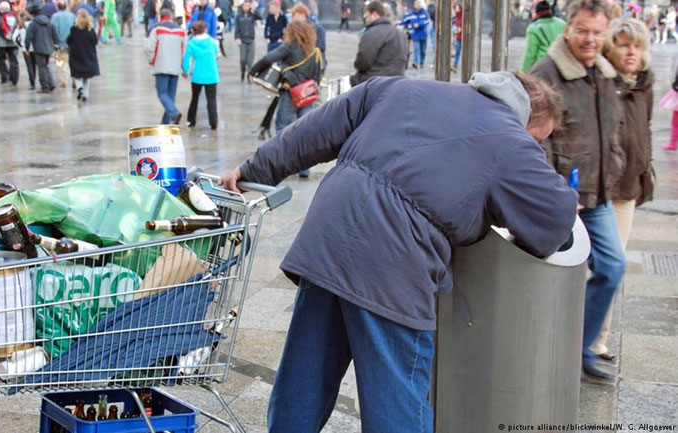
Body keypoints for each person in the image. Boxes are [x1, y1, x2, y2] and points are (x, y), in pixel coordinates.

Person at [218, 71, 576, 433]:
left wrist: (253, 169)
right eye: (538, 139)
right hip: (394, 264)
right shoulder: (513, 142)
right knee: (396, 396)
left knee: (305, 376)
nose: (537, 150)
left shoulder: (402, 87)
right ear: (525, 115)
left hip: (329, 237)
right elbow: (556, 223)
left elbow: (316, 129)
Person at [531, 0, 626, 385]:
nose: (590, 39)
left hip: (596, 192)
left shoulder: (603, 71)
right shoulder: (547, 72)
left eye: (598, 32)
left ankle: (579, 349)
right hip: (563, 196)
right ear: (567, 29)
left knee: (613, 265)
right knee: (548, 280)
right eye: (583, 30)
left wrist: (615, 165)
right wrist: (554, 191)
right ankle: (545, 351)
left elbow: (611, 130)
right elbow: (535, 139)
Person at [588, 18, 653, 363]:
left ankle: (597, 340)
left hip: (626, 189)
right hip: (598, 189)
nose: (631, 52)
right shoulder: (601, 81)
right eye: (624, 44)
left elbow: (644, 131)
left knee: (614, 265)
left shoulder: (643, 85)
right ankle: (582, 337)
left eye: (637, 46)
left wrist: (645, 171)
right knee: (601, 265)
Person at [248, 20, 322, 177]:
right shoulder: (314, 51)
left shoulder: (290, 47)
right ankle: (305, 169)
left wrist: (253, 71)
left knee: (283, 128)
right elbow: (318, 74)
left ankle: (281, 166)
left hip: (290, 93)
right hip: (307, 96)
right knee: (306, 131)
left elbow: (268, 58)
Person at [350, 1, 406, 86]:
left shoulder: (372, 33)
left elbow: (362, 63)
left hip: (374, 83)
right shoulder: (400, 34)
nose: (366, 19)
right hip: (398, 83)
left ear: (374, 14)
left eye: (366, 15)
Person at [145, 7, 185, 124]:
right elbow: (184, 49)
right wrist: (184, 66)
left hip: (161, 66)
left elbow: (149, 48)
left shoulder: (155, 29)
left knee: (162, 93)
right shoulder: (180, 30)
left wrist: (151, 61)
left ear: (160, 17)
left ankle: (174, 114)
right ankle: (165, 123)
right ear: (171, 16)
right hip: (175, 67)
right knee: (170, 97)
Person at [183, 20, 219, 129]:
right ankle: (213, 122)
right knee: (211, 100)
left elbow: (186, 60)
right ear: (205, 29)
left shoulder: (192, 43)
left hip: (197, 75)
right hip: (211, 74)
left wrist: (186, 71)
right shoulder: (213, 42)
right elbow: (217, 54)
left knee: (194, 98)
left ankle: (191, 120)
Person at [522, 0, 566, 72]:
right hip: (561, 66)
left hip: (542, 68)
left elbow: (530, 54)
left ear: (537, 13)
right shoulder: (562, 24)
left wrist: (524, 73)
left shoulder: (533, 28)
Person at [25, 4, 60, 92]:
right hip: (49, 48)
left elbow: (28, 37)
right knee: (45, 66)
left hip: (39, 48)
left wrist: (27, 48)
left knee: (41, 67)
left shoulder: (33, 24)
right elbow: (55, 35)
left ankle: (45, 86)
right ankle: (51, 83)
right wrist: (57, 45)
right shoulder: (49, 22)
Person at [66, 8, 98, 101]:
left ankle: (80, 88)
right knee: (86, 77)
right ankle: (86, 95)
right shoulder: (90, 29)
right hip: (88, 55)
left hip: (76, 55)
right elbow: (95, 41)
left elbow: (68, 40)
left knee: (76, 75)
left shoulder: (74, 29)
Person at [0, 1, 19, 86]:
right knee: (13, 61)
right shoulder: (15, 16)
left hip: (2, 43)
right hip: (13, 43)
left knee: (2, 60)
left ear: (2, 9)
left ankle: (4, 78)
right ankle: (14, 79)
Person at [234, 0, 261, 81]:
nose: (246, 7)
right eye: (245, 6)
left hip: (251, 40)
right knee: (243, 60)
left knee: (250, 61)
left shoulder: (252, 15)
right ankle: (243, 71)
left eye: (248, 6)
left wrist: (254, 10)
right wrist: (237, 38)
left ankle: (249, 76)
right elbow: (237, 28)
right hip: (242, 40)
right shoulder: (239, 16)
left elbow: (260, 17)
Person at [51, 0, 74, 87]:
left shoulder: (54, 17)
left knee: (61, 64)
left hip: (59, 45)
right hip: (71, 44)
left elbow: (54, 31)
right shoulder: (71, 15)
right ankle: (74, 80)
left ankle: (63, 81)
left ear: (57, 7)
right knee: (72, 62)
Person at [402, 0, 430, 69]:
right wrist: (408, 26)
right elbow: (405, 21)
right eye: (416, 4)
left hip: (423, 34)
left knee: (423, 50)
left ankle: (421, 62)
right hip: (415, 35)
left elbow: (427, 21)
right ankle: (416, 63)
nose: (417, 5)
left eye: (418, 4)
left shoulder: (424, 13)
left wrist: (419, 24)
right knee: (416, 49)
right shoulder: (411, 14)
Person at [13, 10, 36, 89]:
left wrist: (21, 45)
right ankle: (35, 78)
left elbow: (14, 38)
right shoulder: (33, 24)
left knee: (29, 66)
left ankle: (32, 83)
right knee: (34, 65)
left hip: (25, 49)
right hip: (34, 48)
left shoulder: (20, 26)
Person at [452, 1, 461, 72]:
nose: (456, 9)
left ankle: (455, 65)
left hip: (462, 36)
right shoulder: (456, 16)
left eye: (457, 7)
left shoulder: (462, 16)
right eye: (455, 7)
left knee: (459, 51)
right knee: (457, 51)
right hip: (458, 36)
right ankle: (455, 65)